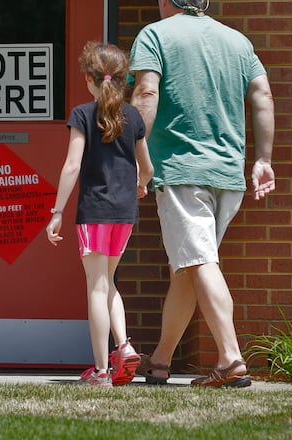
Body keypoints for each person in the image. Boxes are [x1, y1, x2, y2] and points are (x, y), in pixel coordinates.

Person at [129, 0, 275, 388]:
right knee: (190, 268)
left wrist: (131, 154)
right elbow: (262, 95)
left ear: (166, 2)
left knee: (199, 261)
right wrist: (263, 159)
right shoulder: (238, 41)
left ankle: (230, 358)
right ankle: (160, 361)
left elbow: (145, 92)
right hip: (228, 174)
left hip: (181, 171)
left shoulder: (155, 35)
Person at [46, 41, 153, 387]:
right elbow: (146, 166)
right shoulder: (133, 116)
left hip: (94, 211)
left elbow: (71, 165)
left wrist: (56, 211)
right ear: (123, 81)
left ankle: (101, 372)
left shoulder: (82, 115)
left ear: (89, 80)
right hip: (124, 213)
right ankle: (123, 346)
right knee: (109, 281)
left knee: (96, 286)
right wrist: (142, 184)